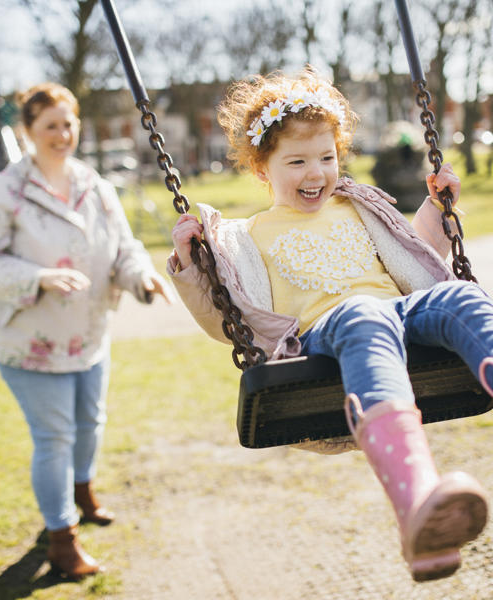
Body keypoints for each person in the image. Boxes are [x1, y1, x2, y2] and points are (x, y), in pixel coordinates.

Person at [169, 68, 493, 582]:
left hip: (402, 317)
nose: (315, 172)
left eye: (326, 157)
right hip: (325, 337)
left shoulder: (358, 207)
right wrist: (191, 265)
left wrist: (438, 206)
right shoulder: (244, 236)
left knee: (459, 296)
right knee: (361, 313)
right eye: (296, 161)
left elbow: (416, 257)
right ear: (262, 169)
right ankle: (416, 498)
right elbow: (226, 321)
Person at [0, 82, 173, 579]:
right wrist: (38, 277)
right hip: (30, 343)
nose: (63, 134)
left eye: (69, 123)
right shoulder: (3, 191)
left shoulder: (94, 185)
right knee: (53, 436)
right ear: (28, 131)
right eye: (50, 126)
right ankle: (62, 541)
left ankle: (82, 491)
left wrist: (141, 276)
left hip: (88, 336)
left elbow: (124, 247)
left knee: (90, 423)